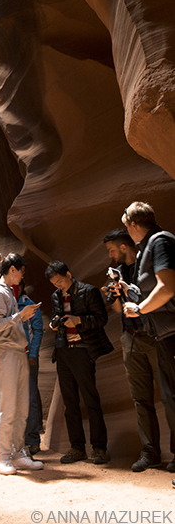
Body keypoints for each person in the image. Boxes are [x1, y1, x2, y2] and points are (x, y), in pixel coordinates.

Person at [121, 202, 175, 477]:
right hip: (163, 334)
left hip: (173, 333)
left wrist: (140, 309)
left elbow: (167, 288)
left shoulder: (160, 242)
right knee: (170, 396)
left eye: (126, 227)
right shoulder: (147, 248)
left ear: (133, 225)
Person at [102, 228, 161, 472]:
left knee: (170, 395)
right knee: (140, 398)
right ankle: (150, 452)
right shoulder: (120, 272)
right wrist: (114, 293)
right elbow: (118, 310)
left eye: (112, 250)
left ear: (124, 247)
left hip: (154, 336)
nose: (110, 255)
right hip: (130, 337)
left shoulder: (147, 265)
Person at [46, 260, 113, 466]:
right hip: (64, 352)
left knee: (91, 400)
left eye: (60, 281)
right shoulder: (56, 296)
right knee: (70, 403)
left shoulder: (88, 291)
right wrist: (55, 324)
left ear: (69, 274)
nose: (59, 286)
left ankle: (99, 448)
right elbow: (58, 317)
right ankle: (77, 447)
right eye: (55, 284)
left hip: (83, 350)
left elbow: (102, 319)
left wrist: (79, 320)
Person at [0, 252, 43, 475]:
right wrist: (21, 316)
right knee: (9, 406)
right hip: (6, 353)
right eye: (21, 271)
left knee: (21, 407)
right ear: (13, 269)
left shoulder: (9, 292)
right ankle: (3, 457)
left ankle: (19, 453)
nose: (22, 276)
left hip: (18, 351)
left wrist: (22, 316)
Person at [17, 280, 43, 455]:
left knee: (30, 398)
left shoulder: (29, 304)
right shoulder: (6, 303)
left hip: (27, 357)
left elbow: (37, 329)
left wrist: (33, 354)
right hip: (12, 357)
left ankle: (32, 439)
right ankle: (18, 439)